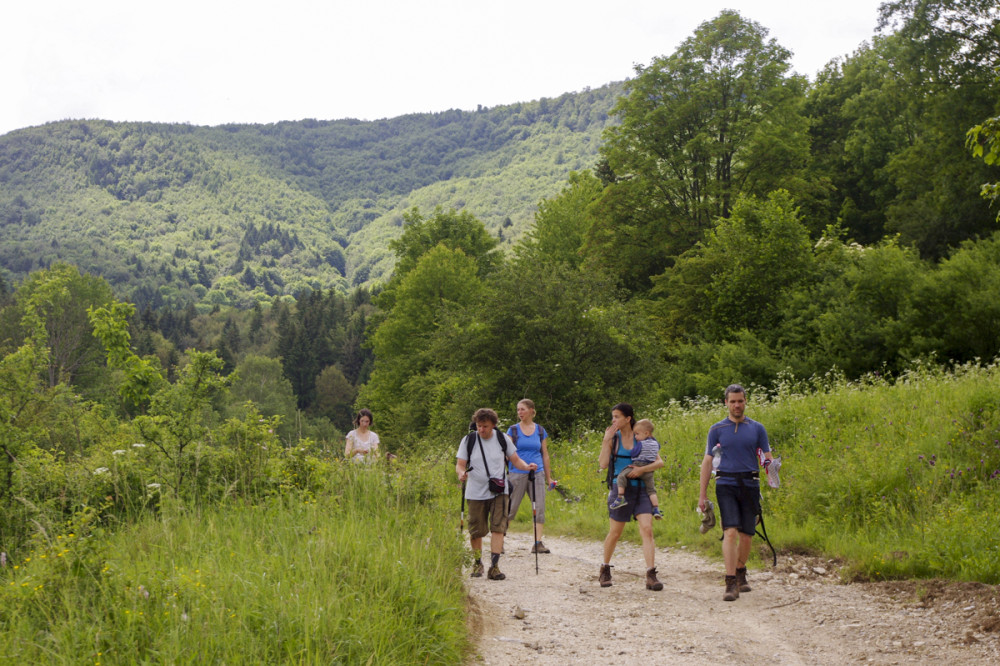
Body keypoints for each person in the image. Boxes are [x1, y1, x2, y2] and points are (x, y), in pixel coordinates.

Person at [698, 384, 773, 602]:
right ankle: (730, 581)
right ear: (726, 403)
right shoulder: (716, 430)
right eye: (732, 401)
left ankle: (741, 571)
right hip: (726, 483)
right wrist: (702, 495)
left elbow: (766, 455)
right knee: (730, 531)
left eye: (740, 401)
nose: (737, 405)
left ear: (745, 401)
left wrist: (771, 469)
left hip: (750, 483)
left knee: (747, 534)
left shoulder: (757, 428)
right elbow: (707, 461)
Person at [456, 408, 537, 581]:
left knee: (498, 528)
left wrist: (527, 467)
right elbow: (460, 464)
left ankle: (494, 566)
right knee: (476, 531)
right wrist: (460, 473)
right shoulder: (469, 440)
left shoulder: (502, 439)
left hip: (499, 491)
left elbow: (515, 460)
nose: (481, 430)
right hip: (475, 492)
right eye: (479, 426)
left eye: (485, 426)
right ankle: (477, 563)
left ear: (493, 425)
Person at [598, 403, 664, 591]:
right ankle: (605, 568)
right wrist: (606, 440)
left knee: (647, 529)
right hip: (621, 490)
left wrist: (642, 469)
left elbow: (660, 462)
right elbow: (603, 464)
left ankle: (651, 574)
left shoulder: (642, 437)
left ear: (628, 418)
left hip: (642, 489)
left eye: (617, 417)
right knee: (615, 532)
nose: (613, 420)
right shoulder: (614, 438)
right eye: (613, 417)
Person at [505, 399, 557, 554]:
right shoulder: (512, 430)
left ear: (531, 410)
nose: (520, 412)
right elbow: (508, 453)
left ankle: (538, 542)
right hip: (517, 473)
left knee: (539, 508)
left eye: (522, 409)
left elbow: (545, 455)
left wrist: (549, 478)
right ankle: (499, 539)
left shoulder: (540, 431)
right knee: (511, 508)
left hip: (538, 473)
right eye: (518, 410)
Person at [608, 418, 663, 520]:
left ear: (646, 433)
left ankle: (620, 497)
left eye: (637, 434)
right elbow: (656, 454)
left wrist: (633, 452)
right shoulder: (656, 443)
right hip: (648, 471)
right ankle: (656, 508)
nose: (636, 437)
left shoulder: (640, 443)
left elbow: (634, 453)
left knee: (621, 476)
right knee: (651, 490)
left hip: (637, 465)